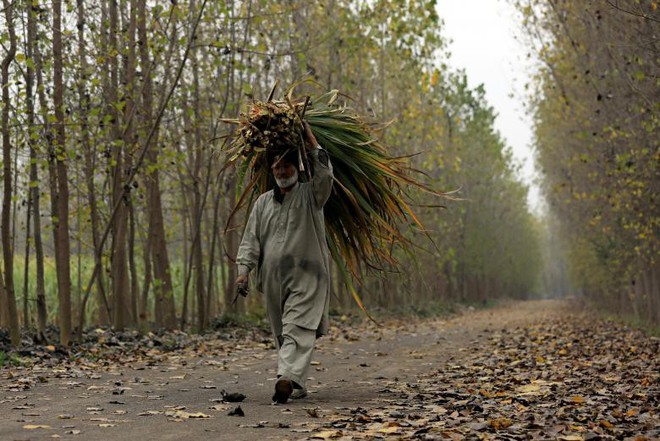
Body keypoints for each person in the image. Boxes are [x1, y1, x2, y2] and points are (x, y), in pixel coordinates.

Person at [235, 122, 333, 404]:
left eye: (287, 166)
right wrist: (244, 272)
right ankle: (295, 381)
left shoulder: (311, 195)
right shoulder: (263, 203)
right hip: (274, 281)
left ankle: (285, 380)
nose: (282, 171)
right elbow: (250, 240)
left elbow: (325, 175)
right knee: (282, 333)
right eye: (277, 167)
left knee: (297, 327)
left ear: (296, 167)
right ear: (272, 171)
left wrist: (309, 138)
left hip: (308, 278)